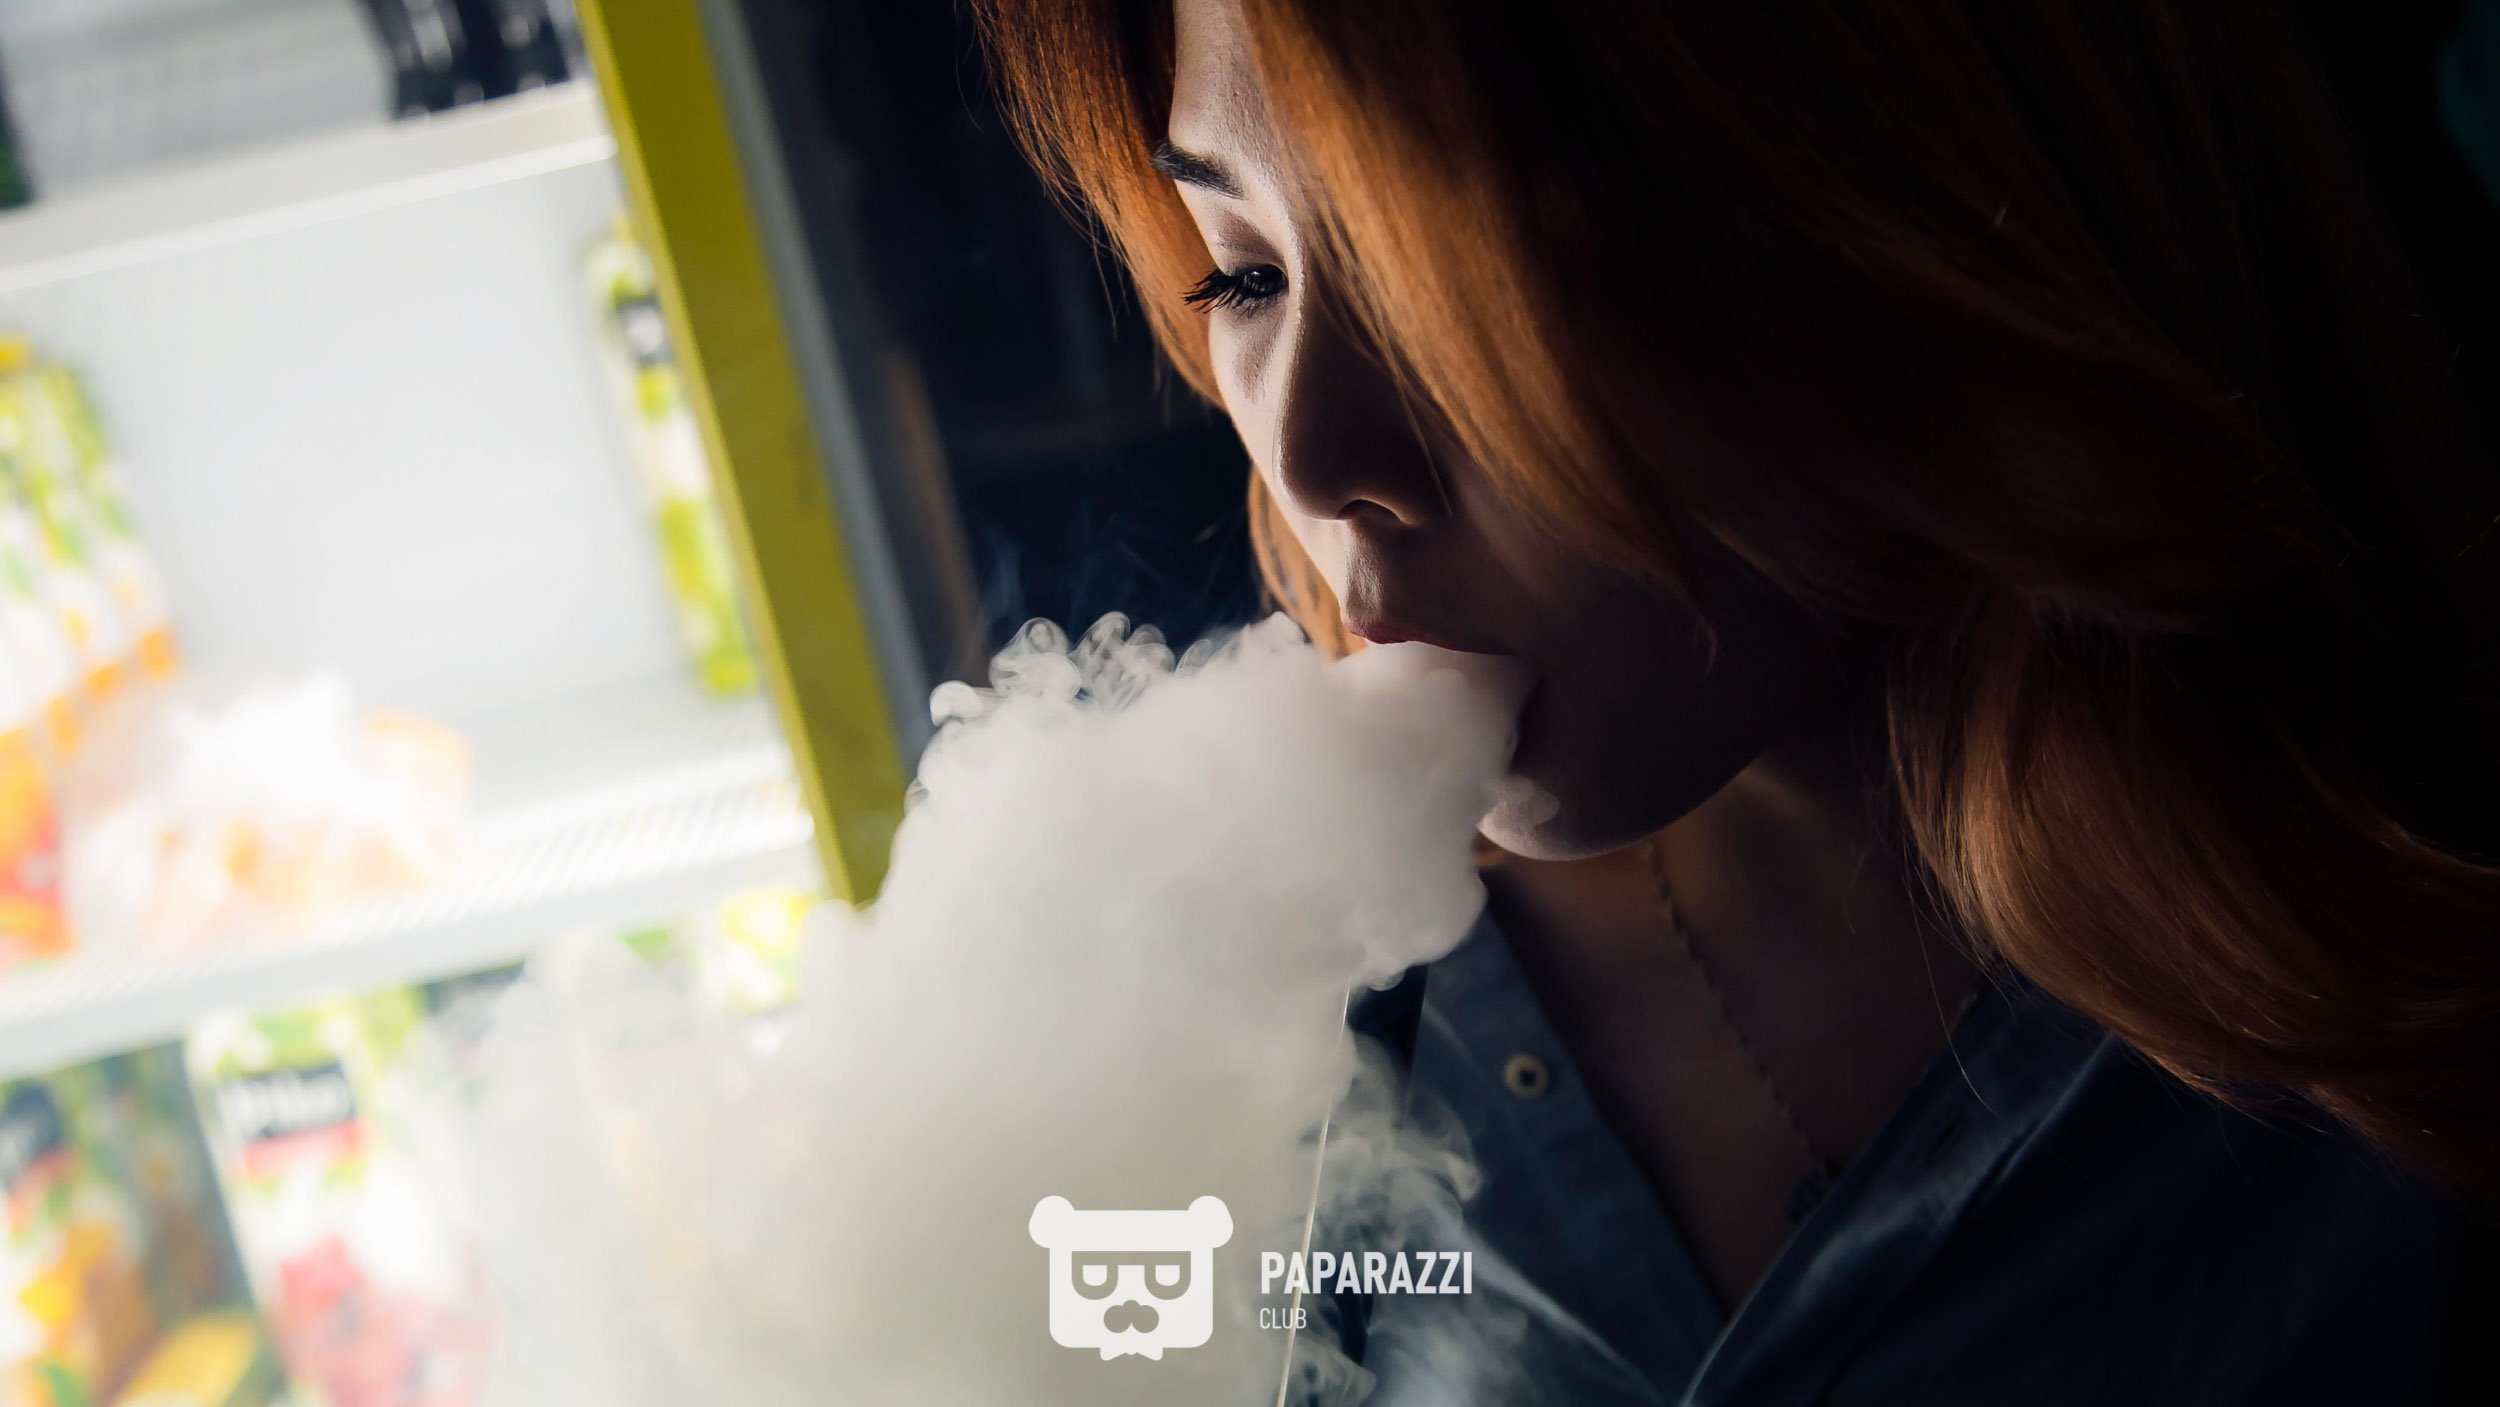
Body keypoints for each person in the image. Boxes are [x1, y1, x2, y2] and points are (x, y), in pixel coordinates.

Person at [976, 0, 2500, 1400]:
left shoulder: (2406, 1024)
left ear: (1905, 206)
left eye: (1461, 268)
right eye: (1243, 272)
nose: (1313, 459)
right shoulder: (1268, 990)